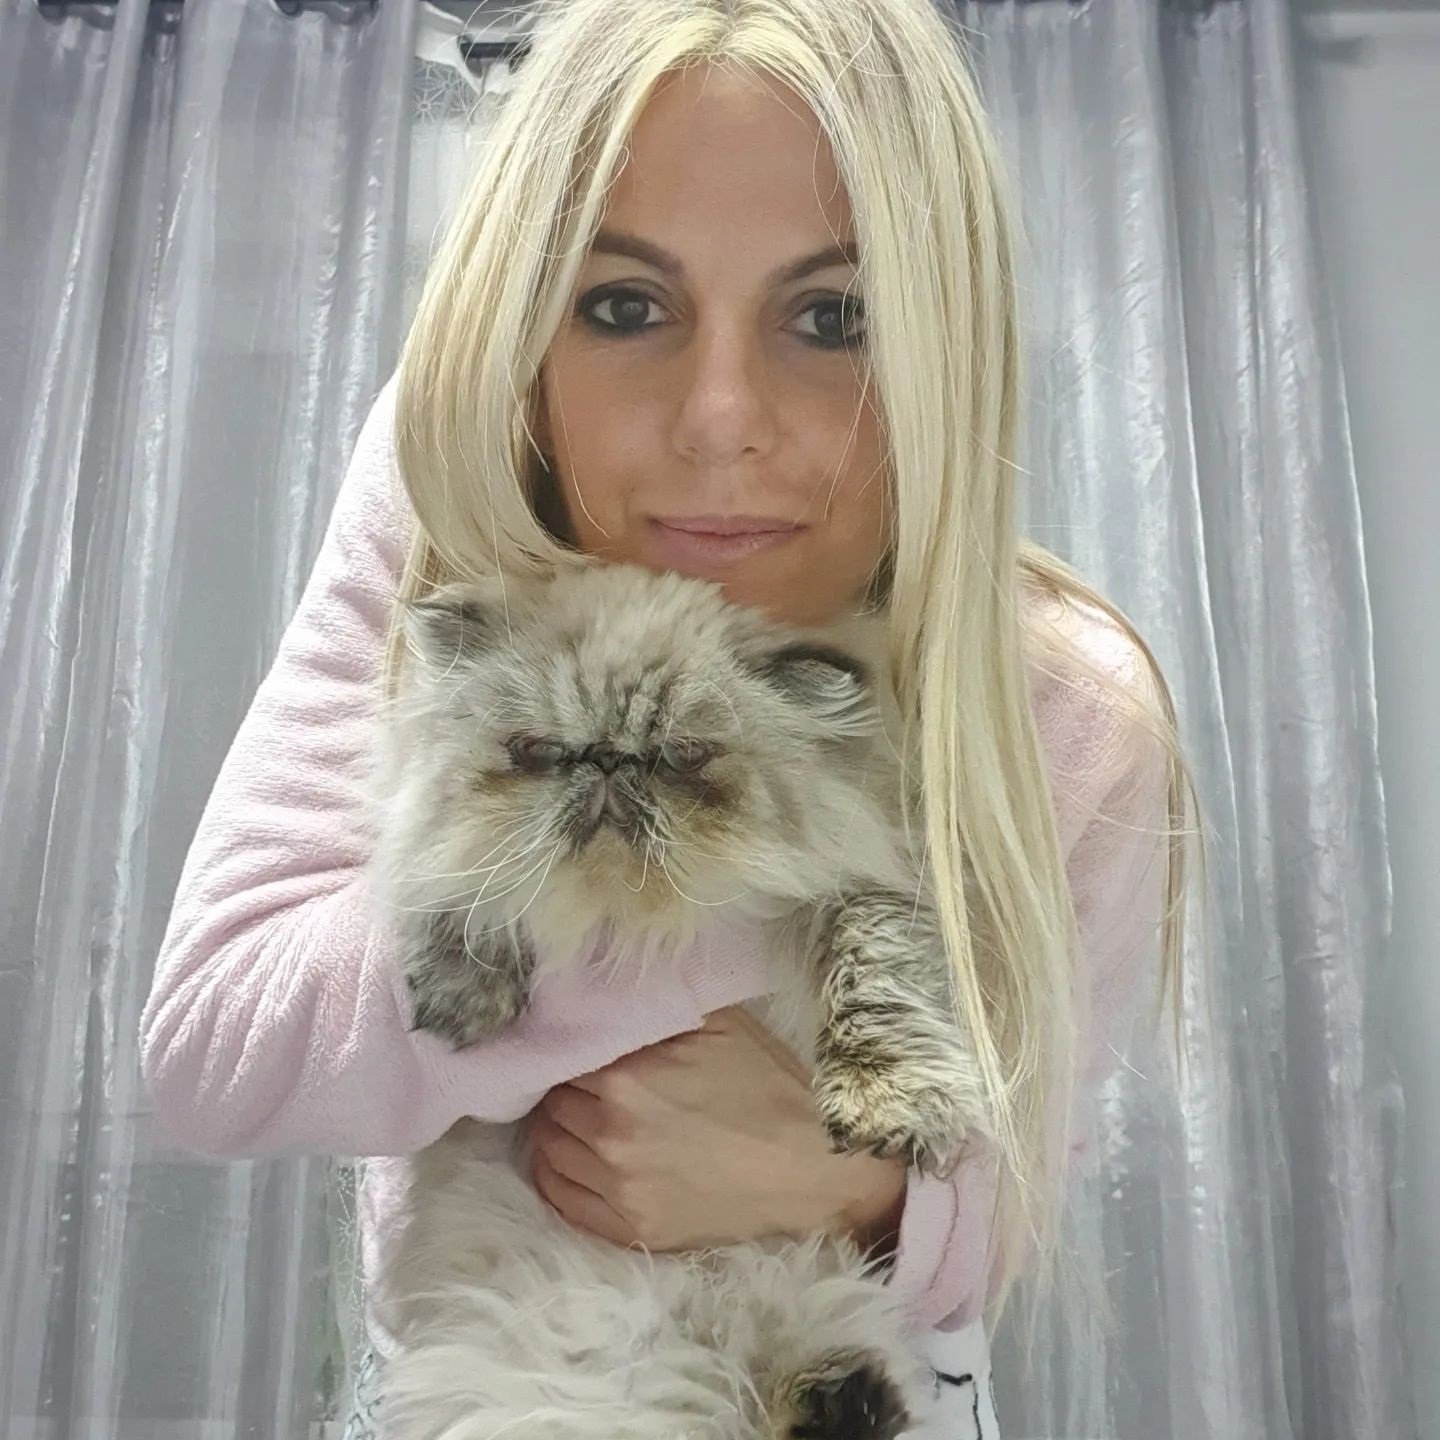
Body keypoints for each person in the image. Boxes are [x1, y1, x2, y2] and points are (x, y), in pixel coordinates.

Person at [138, 1, 1204, 1436]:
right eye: (625, 306)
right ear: (522, 327)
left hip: (840, 1354)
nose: (720, 417)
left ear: (948, 348)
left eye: (833, 317)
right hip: (502, 1365)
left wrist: (851, 1185)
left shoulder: (1061, 705)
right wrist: (694, 896)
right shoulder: (457, 506)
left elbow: (1010, 1205)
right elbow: (215, 1050)